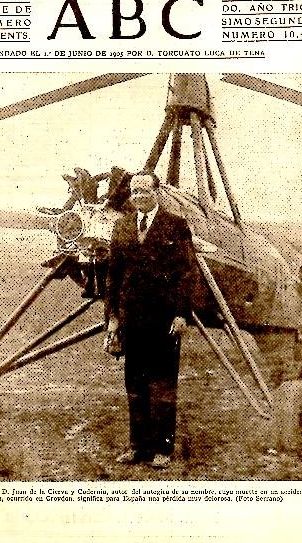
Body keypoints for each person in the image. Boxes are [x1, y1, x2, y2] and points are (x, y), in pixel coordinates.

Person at [105, 170, 194, 468]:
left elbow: (186, 273)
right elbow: (113, 276)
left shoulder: (176, 225)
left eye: (145, 190)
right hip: (132, 319)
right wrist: (113, 317)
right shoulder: (122, 226)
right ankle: (137, 447)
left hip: (164, 319)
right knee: (135, 385)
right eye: (135, 191)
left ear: (157, 193)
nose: (139, 196)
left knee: (163, 385)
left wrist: (181, 313)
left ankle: (163, 449)